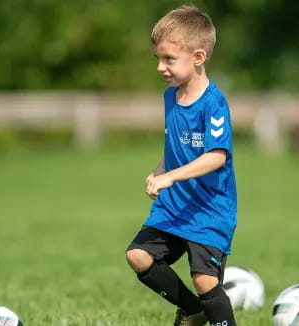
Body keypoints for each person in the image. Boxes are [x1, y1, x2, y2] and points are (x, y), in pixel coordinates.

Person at [125, 5, 238, 326]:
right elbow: (177, 147)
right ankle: (193, 310)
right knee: (138, 256)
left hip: (209, 210)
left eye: (169, 59)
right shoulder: (170, 97)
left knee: (205, 280)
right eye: (158, 58)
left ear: (198, 58)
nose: (161, 67)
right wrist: (160, 170)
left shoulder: (213, 103)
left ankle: (208, 311)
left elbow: (216, 156)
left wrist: (170, 176)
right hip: (174, 207)